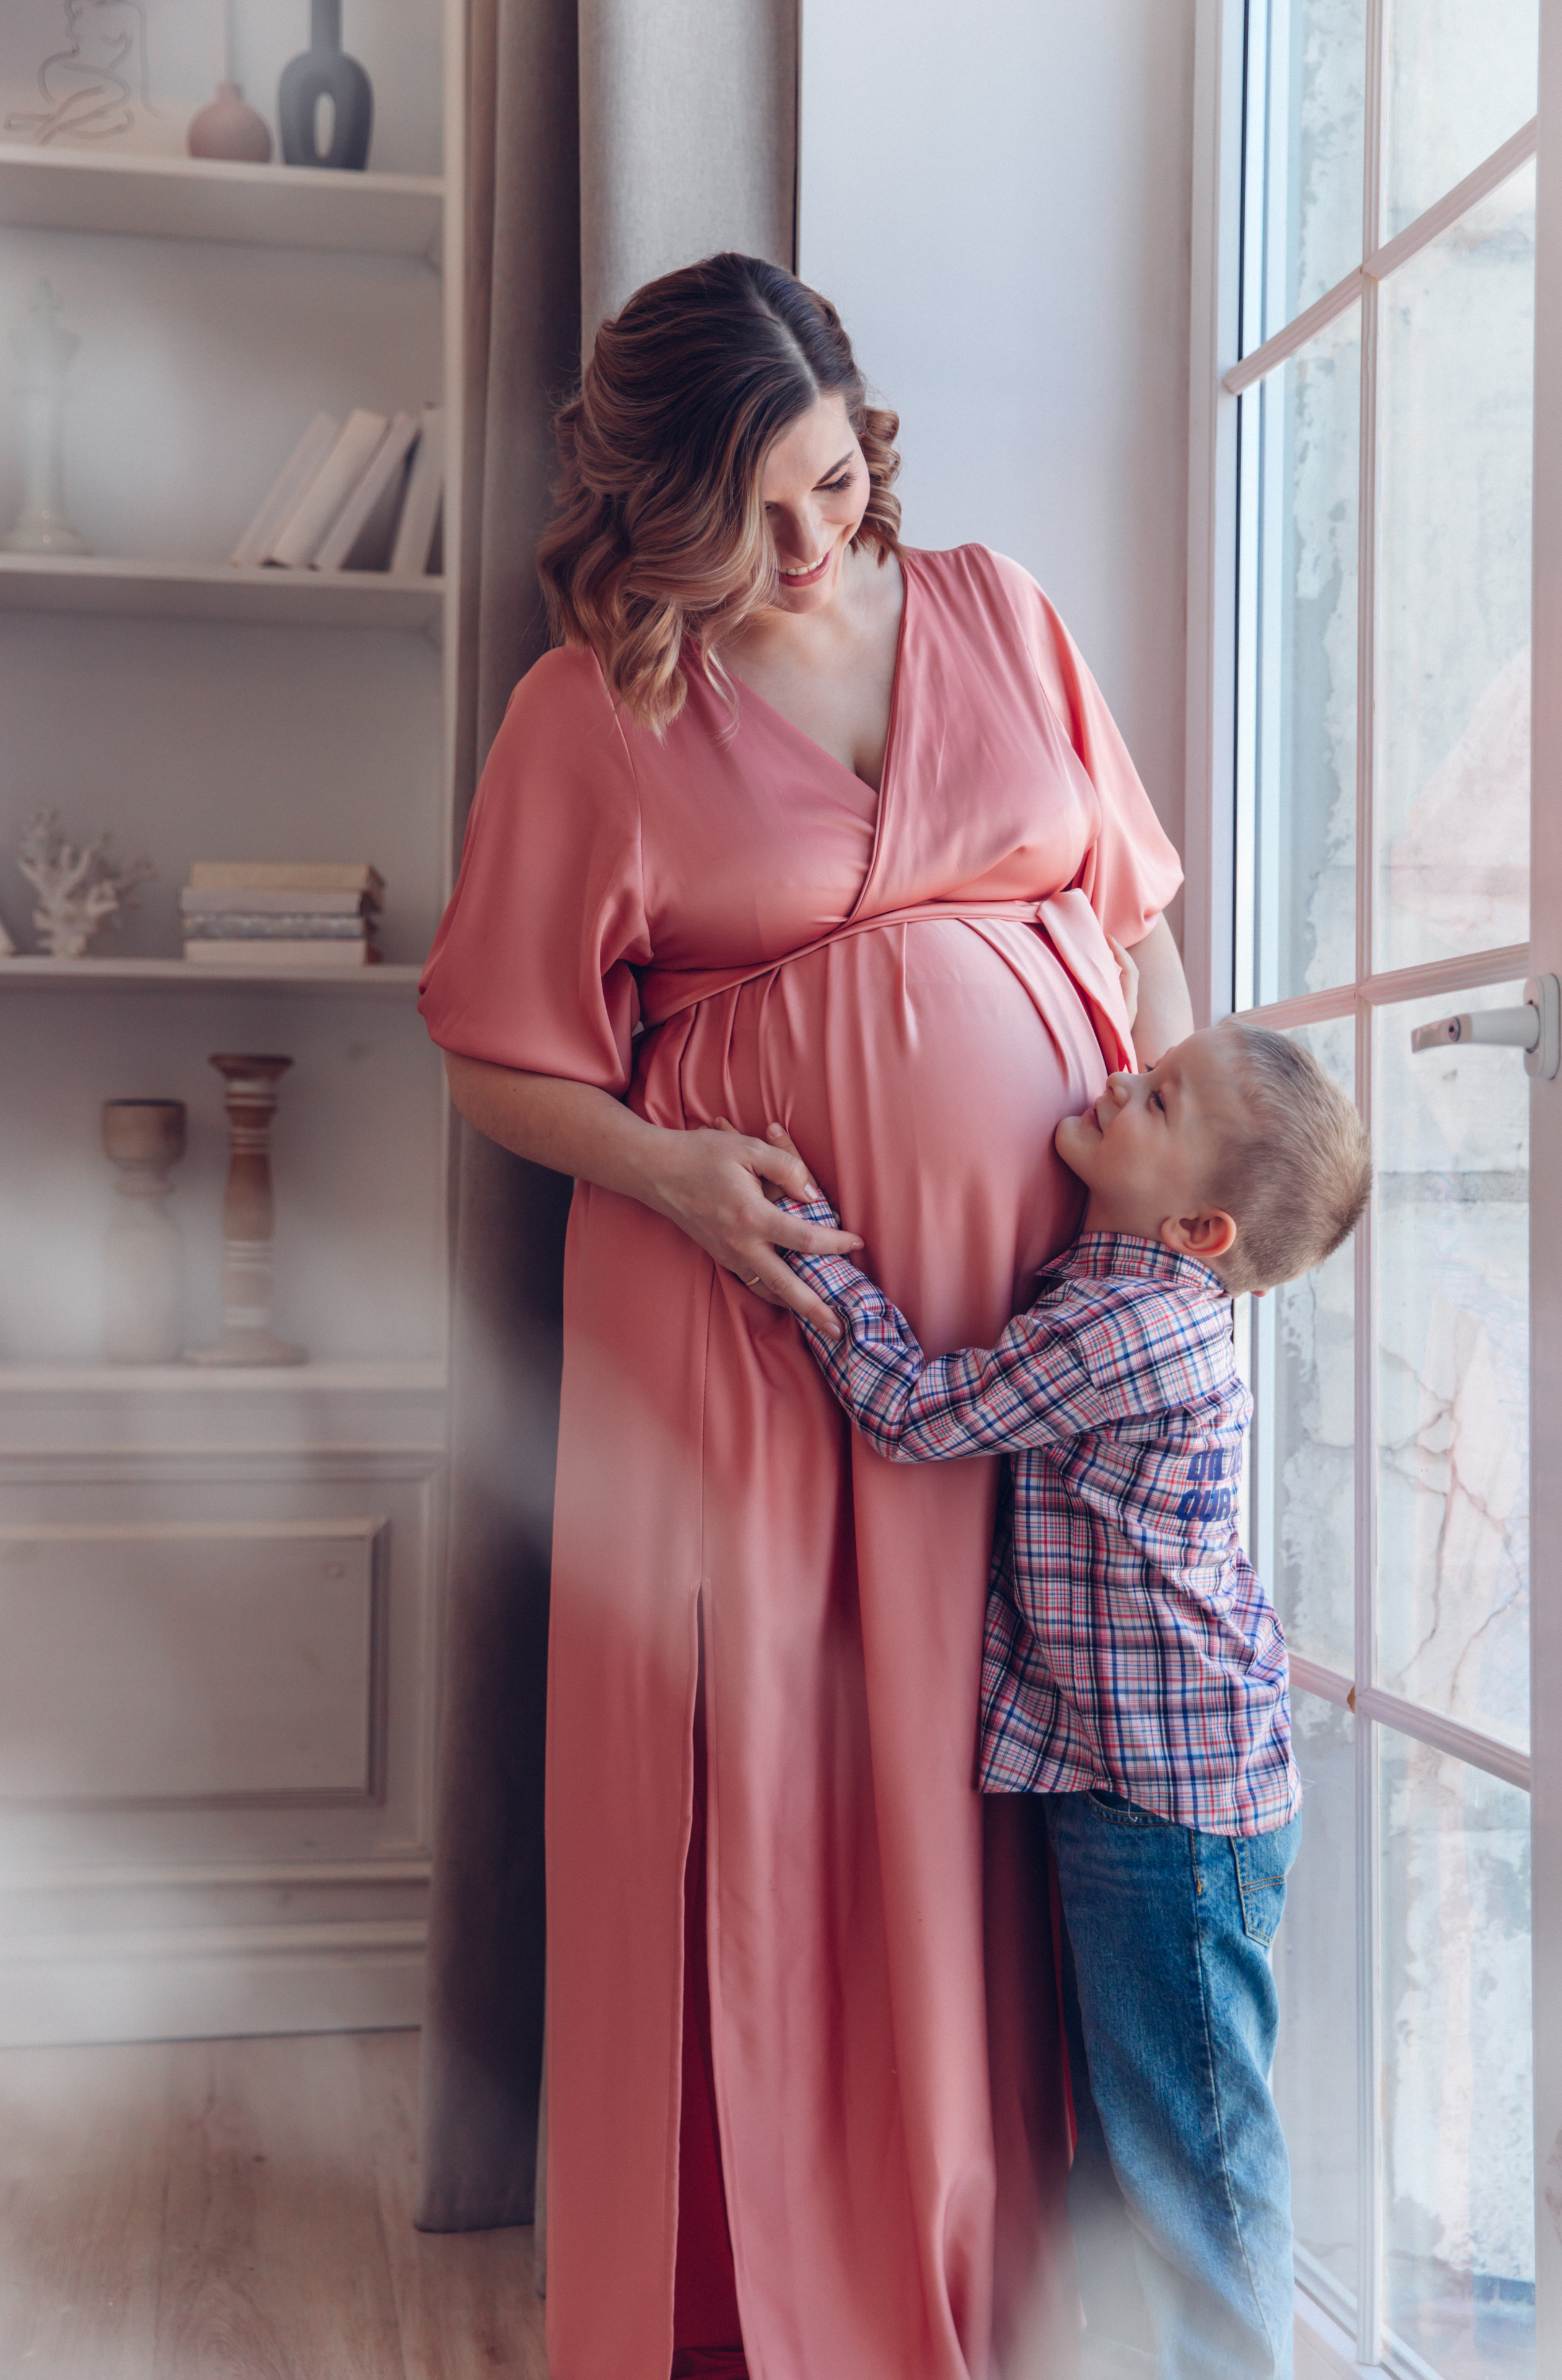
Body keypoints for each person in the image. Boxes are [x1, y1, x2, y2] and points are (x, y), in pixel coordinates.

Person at [418, 250, 1191, 2380]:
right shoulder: (595, 710)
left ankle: (1002, 2268)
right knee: (770, 1779)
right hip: (748, 1335)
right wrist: (675, 1172)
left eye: (832, 481)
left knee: (989, 1779)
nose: (803, 543)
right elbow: (500, 1052)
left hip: (1043, 1341)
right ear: (648, 502)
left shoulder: (1004, 617)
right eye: (746, 508)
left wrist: (1172, 1246)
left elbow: (1142, 945)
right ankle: (758, 2307)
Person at [764, 1023, 1373, 2379]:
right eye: (1147, 1064)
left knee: (1195, 2159)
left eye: (1154, 1099)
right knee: (1141, 2142)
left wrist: (820, 1254)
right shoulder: (1115, 1290)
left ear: (1200, 1225)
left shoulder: (1127, 1323)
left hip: (1172, 1820)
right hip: (1149, 1792)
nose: (1115, 1083)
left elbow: (914, 1415)